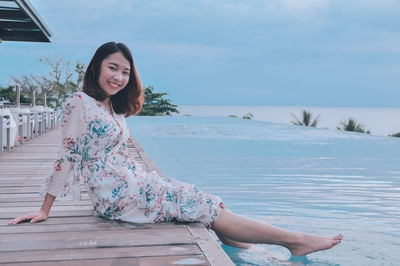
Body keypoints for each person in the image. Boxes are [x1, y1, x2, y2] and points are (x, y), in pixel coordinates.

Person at [8, 42, 343, 256]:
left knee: (207, 203)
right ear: (96, 66)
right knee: (200, 204)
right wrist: (44, 210)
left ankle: (256, 249)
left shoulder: (111, 107)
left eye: (126, 71)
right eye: (113, 68)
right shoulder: (79, 102)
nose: (119, 76)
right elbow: (66, 154)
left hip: (130, 184)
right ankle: (292, 240)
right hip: (116, 195)